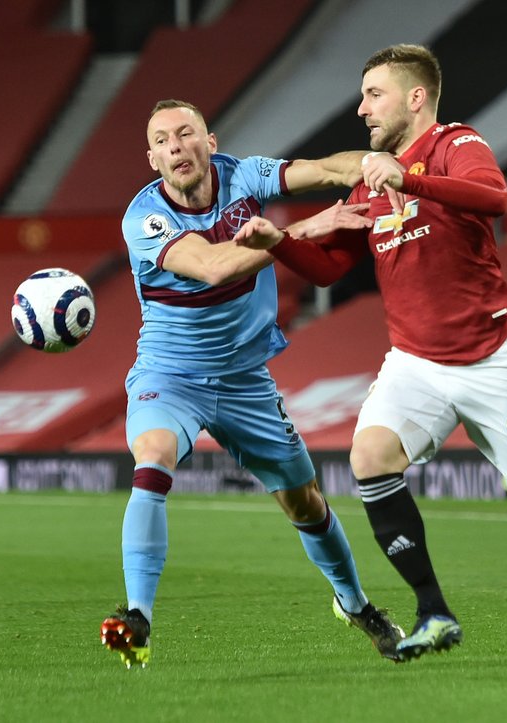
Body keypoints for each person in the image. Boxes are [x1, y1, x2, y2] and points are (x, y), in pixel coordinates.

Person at [232, 44, 507, 664]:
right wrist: (279, 244)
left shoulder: (456, 144)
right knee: (369, 457)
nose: (362, 108)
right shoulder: (376, 180)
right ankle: (433, 611)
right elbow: (328, 270)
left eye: (375, 94)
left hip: (493, 354)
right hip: (416, 361)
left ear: (416, 97)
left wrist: (411, 178)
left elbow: (495, 198)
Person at [99, 99, 400, 669]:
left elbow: (328, 168)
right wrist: (303, 229)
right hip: (171, 373)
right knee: (154, 454)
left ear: (209, 142)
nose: (176, 147)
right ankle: (138, 614)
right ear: (152, 159)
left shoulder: (245, 174)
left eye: (186, 134)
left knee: (304, 502)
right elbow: (212, 266)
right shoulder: (145, 218)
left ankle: (357, 605)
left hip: (244, 379)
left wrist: (389, 166)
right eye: (162, 141)